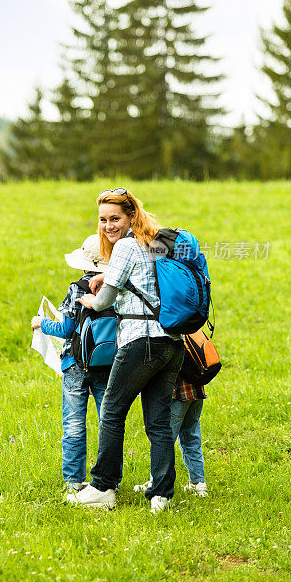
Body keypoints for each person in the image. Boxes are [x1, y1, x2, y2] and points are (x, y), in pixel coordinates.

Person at [68, 188, 185, 514]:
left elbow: (105, 300)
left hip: (140, 342)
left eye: (115, 218)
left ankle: (103, 487)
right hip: (172, 344)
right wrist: (109, 275)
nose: (108, 225)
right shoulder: (157, 243)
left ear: (131, 215)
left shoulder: (125, 246)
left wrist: (90, 300)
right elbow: (144, 278)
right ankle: (162, 496)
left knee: (112, 412)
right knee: (159, 422)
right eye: (103, 219)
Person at [30, 235, 117, 499]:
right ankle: (109, 480)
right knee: (109, 423)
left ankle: (74, 481)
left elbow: (68, 329)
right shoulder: (119, 287)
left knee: (74, 424)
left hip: (76, 364)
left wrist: (41, 323)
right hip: (109, 364)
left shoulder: (78, 288)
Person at [134, 376, 208, 497]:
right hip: (196, 391)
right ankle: (198, 483)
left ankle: (156, 482)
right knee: (191, 437)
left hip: (177, 393)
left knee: (163, 440)